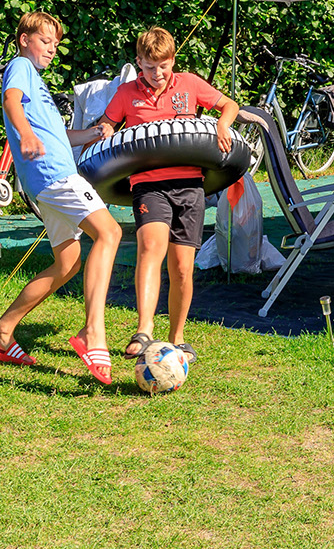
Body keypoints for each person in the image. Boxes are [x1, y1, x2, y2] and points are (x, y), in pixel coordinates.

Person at [0, 11, 123, 384]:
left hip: (51, 176)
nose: (52, 49)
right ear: (25, 39)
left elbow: (60, 136)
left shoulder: (38, 84)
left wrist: (90, 134)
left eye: (56, 44)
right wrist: (24, 134)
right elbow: (11, 102)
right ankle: (93, 332)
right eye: (46, 41)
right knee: (109, 233)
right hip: (52, 174)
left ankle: (0, 333)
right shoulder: (20, 66)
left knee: (68, 263)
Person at [102, 25, 238, 363]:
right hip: (148, 184)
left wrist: (222, 124)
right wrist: (104, 129)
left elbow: (229, 105)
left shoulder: (189, 83)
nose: (158, 74)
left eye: (164, 66)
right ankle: (144, 329)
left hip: (190, 185)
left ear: (172, 61)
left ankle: (177, 338)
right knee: (151, 247)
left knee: (181, 268)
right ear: (138, 62)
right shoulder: (126, 93)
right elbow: (108, 124)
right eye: (149, 67)